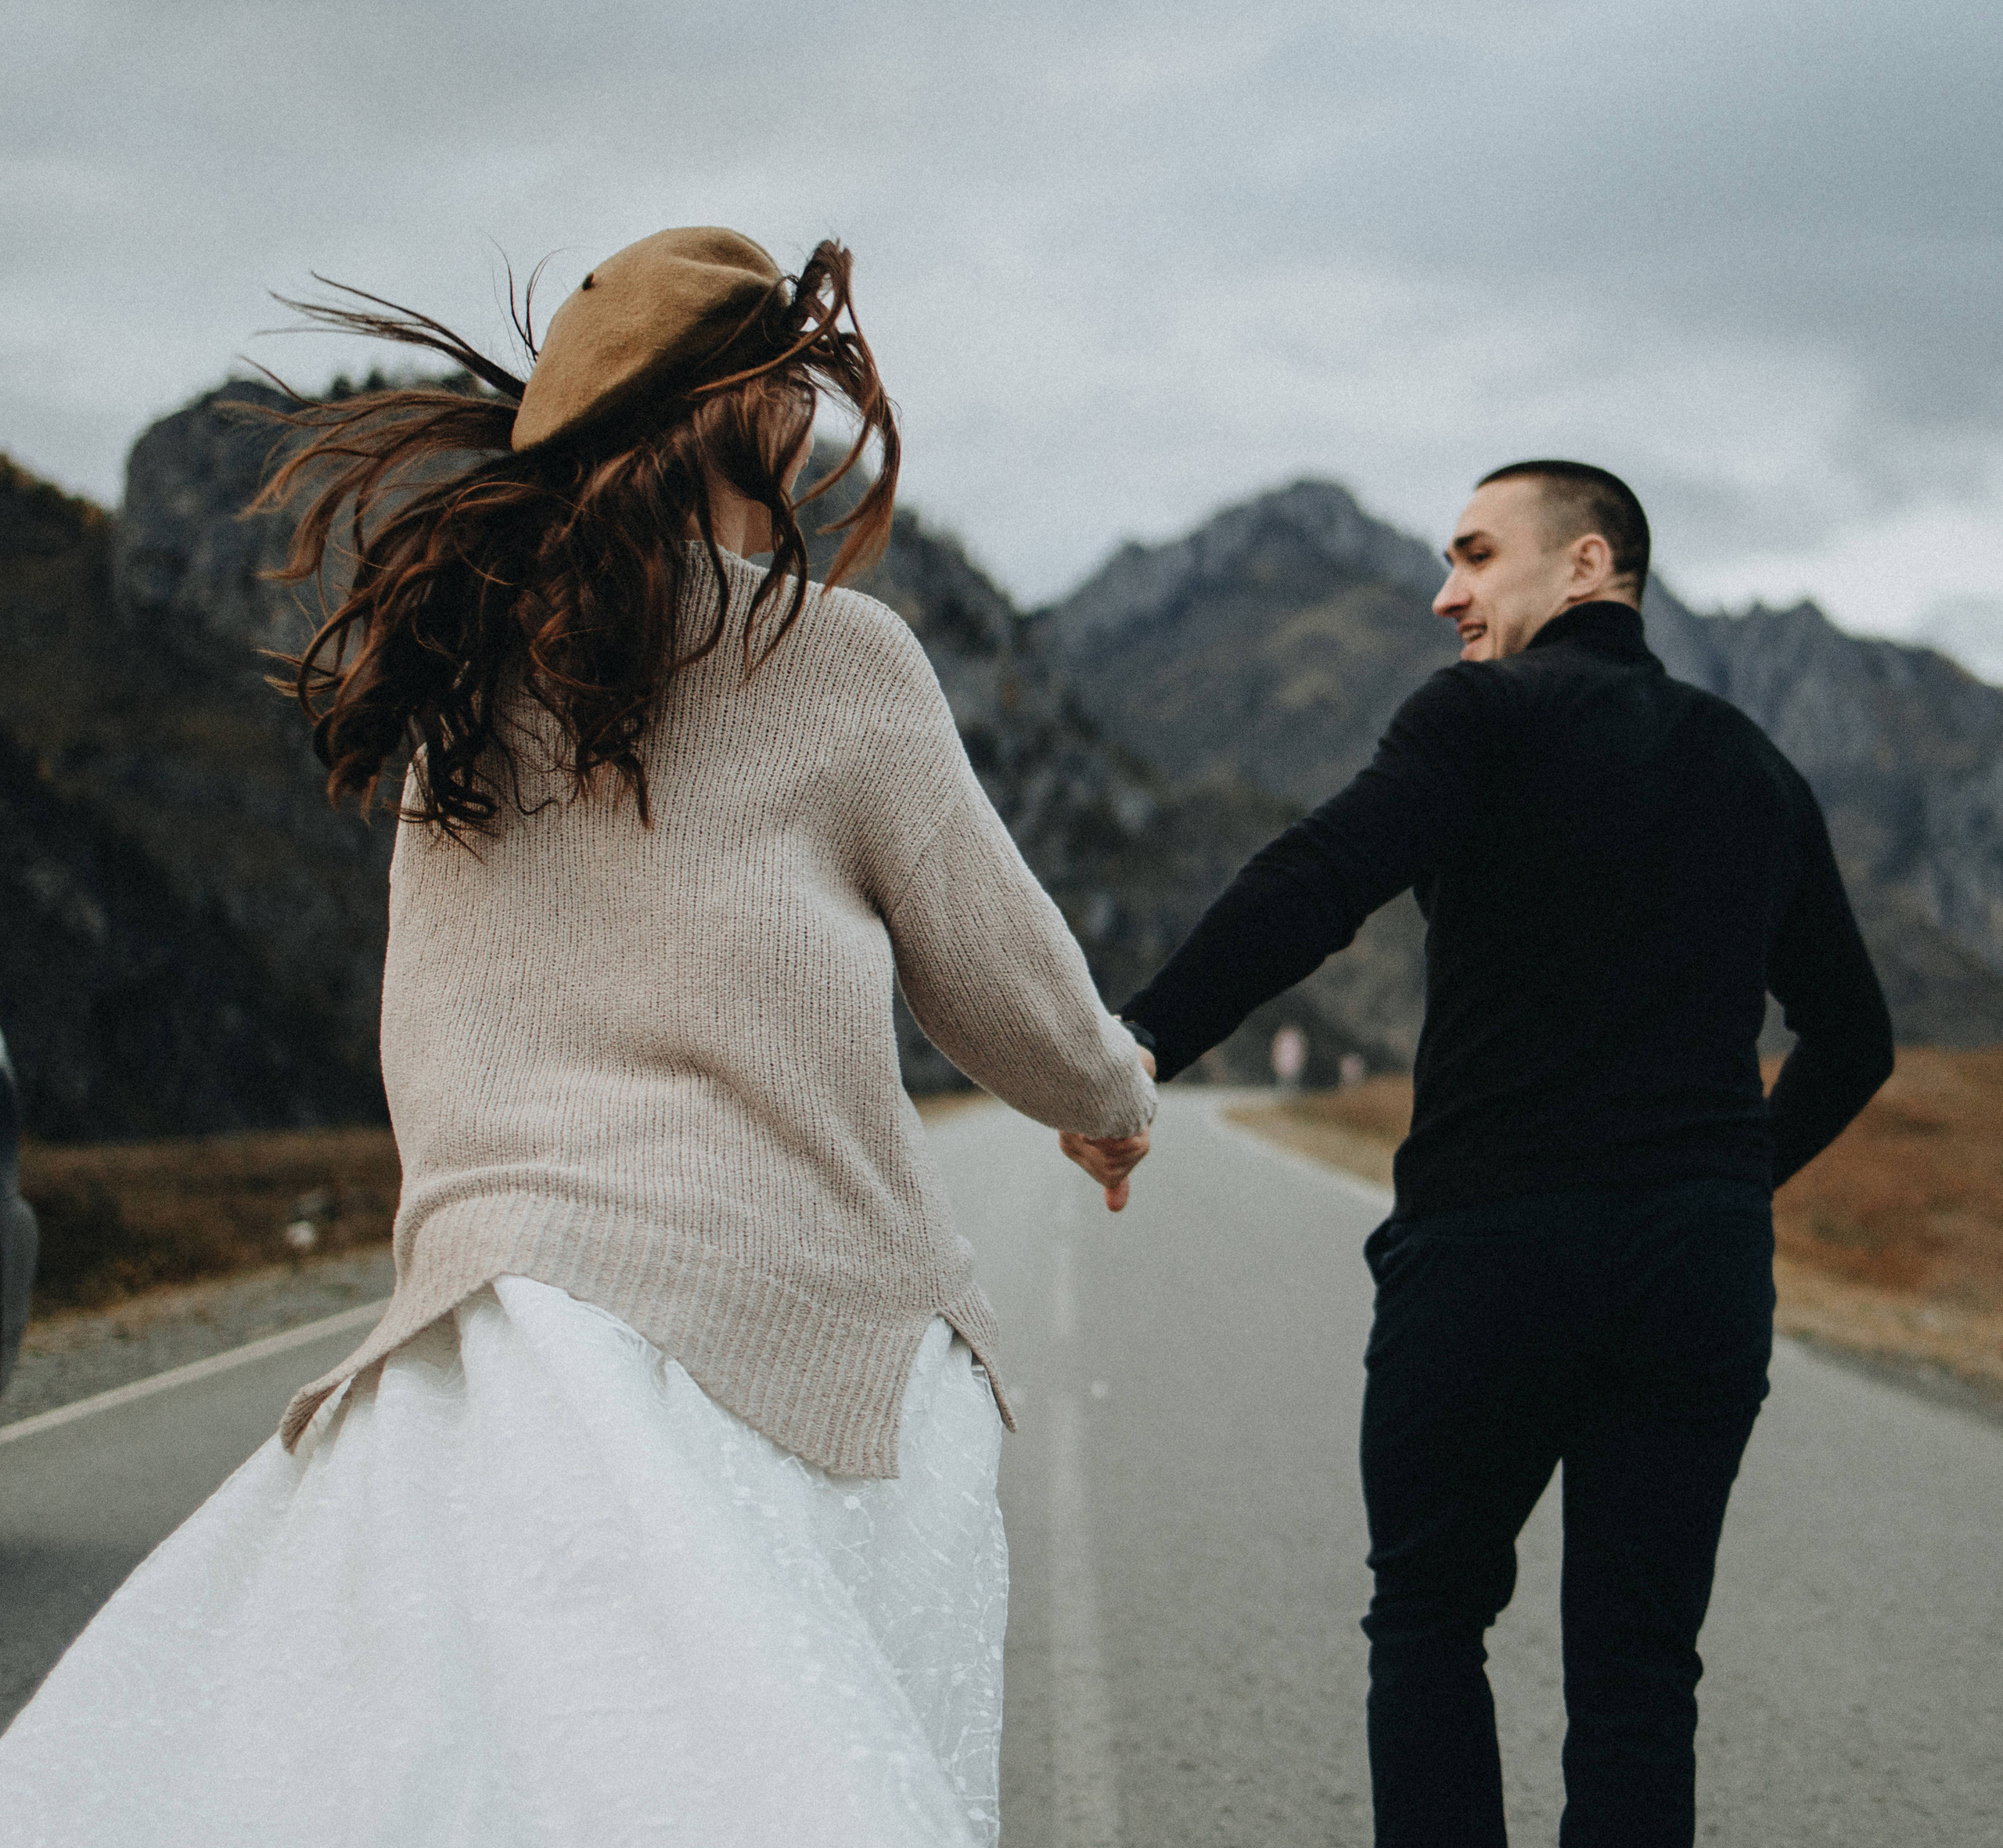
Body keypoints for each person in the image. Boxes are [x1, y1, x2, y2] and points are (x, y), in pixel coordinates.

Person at [0, 228, 1156, 1847]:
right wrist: (1110, 1095)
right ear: (758, 410)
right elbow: (1006, 986)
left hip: (485, 1341)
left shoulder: (451, 694)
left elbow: (429, 1030)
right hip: (776, 1343)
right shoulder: (832, 655)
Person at [1091, 460, 1893, 1847]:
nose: (1445, 593)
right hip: (1695, 1277)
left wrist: (1142, 1044)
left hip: (1492, 1254)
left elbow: (1319, 880)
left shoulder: (1483, 719)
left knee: (1430, 1622)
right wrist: (1724, 1192)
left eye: (1474, 556)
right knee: (1641, 1674)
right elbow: (1858, 1037)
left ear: (1587, 566)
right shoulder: (1758, 768)